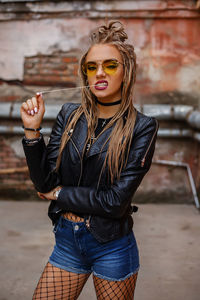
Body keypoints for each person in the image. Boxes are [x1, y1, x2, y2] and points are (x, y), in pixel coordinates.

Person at [20, 21, 158, 300]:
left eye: (110, 65)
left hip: (111, 245)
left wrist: (59, 194)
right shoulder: (69, 115)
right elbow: (44, 181)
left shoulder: (142, 127)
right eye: (91, 67)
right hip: (67, 241)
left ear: (126, 72)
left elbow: (114, 202)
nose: (100, 73)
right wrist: (32, 131)